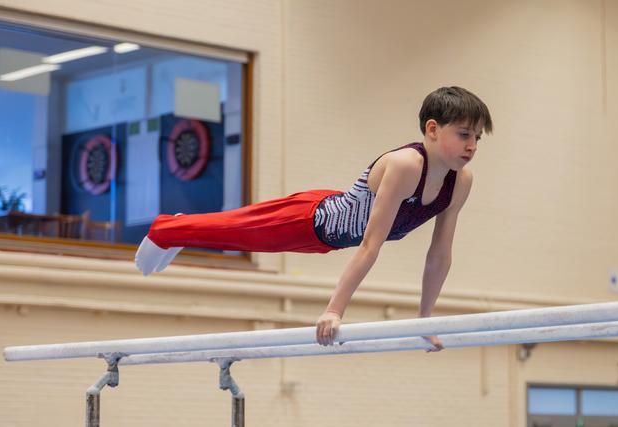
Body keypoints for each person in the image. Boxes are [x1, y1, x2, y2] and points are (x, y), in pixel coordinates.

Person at [135, 86, 493, 351]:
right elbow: (371, 244)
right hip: (309, 219)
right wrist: (334, 311)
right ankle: (166, 228)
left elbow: (439, 254)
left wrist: (425, 320)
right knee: (237, 233)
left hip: (327, 241)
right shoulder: (406, 166)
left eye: (477, 137)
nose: (472, 146)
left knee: (233, 233)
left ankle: (181, 229)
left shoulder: (460, 182)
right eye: (463, 134)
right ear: (432, 129)